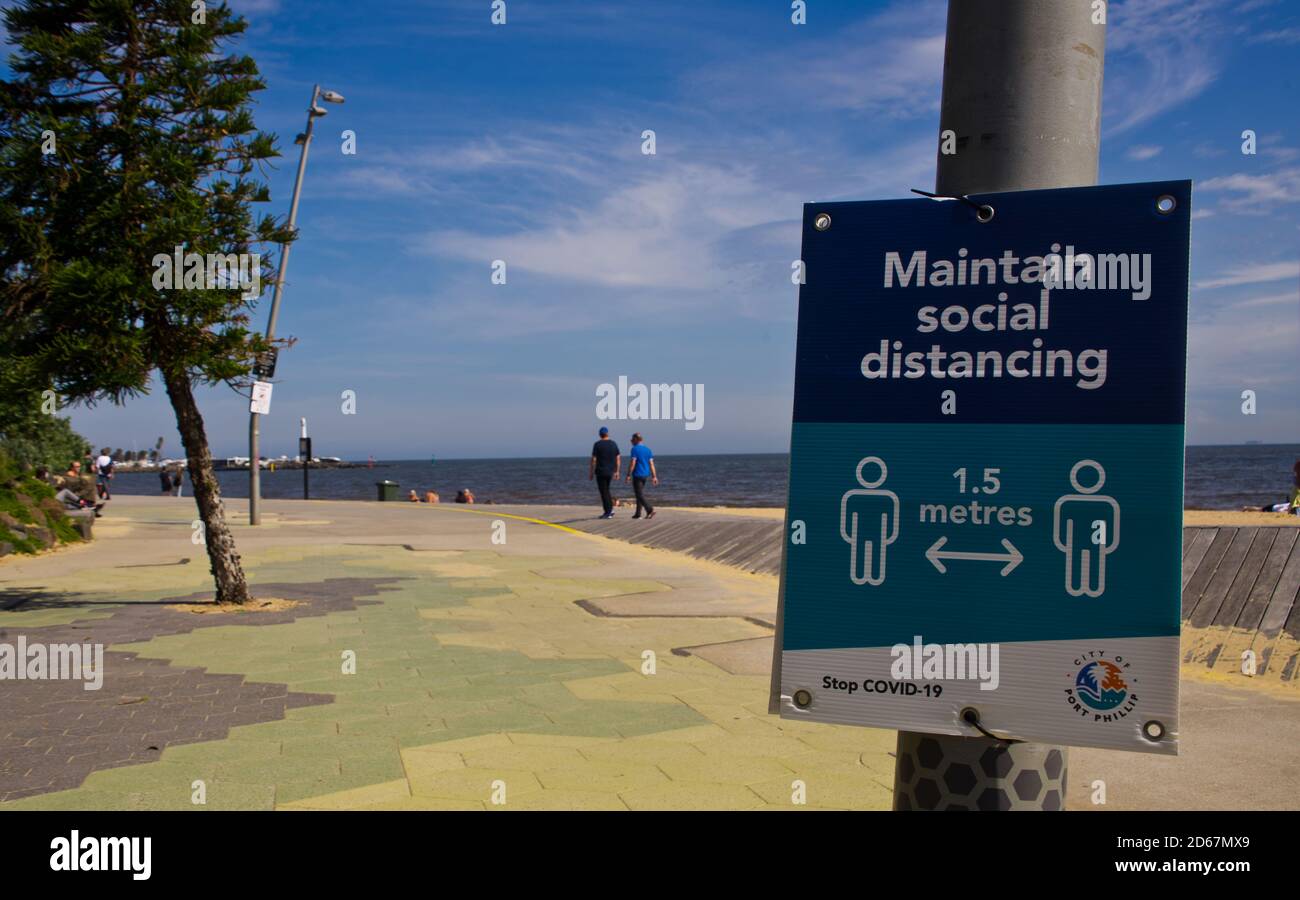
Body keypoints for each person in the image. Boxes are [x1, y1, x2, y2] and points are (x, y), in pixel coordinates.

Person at [624, 432, 658, 519]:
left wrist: (628, 474)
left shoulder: (634, 449)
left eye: (632, 439)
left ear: (636, 440)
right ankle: (638, 513)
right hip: (645, 475)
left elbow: (633, 463)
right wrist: (654, 476)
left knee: (639, 494)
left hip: (638, 474)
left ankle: (649, 509)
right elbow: (651, 464)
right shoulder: (648, 450)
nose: (631, 441)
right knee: (639, 494)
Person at [588, 427, 621, 518]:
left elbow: (594, 459)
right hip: (610, 471)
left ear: (600, 434)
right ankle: (610, 510)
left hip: (601, 471)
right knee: (606, 490)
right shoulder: (613, 444)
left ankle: (608, 512)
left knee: (604, 492)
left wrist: (591, 472)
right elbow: (618, 458)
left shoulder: (597, 444)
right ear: (607, 433)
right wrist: (617, 471)